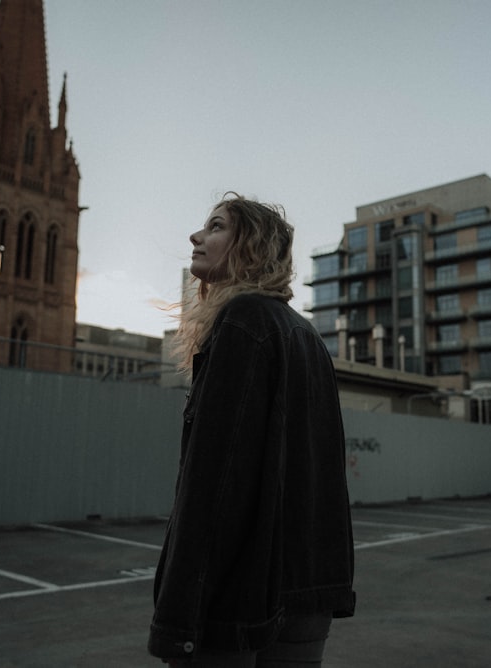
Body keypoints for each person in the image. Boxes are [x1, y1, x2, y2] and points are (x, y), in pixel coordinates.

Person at [148, 193, 356, 666]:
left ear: (251, 246)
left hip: (239, 596)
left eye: (216, 226)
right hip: (310, 587)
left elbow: (216, 482)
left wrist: (180, 613)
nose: (196, 237)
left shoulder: (243, 321)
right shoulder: (307, 337)